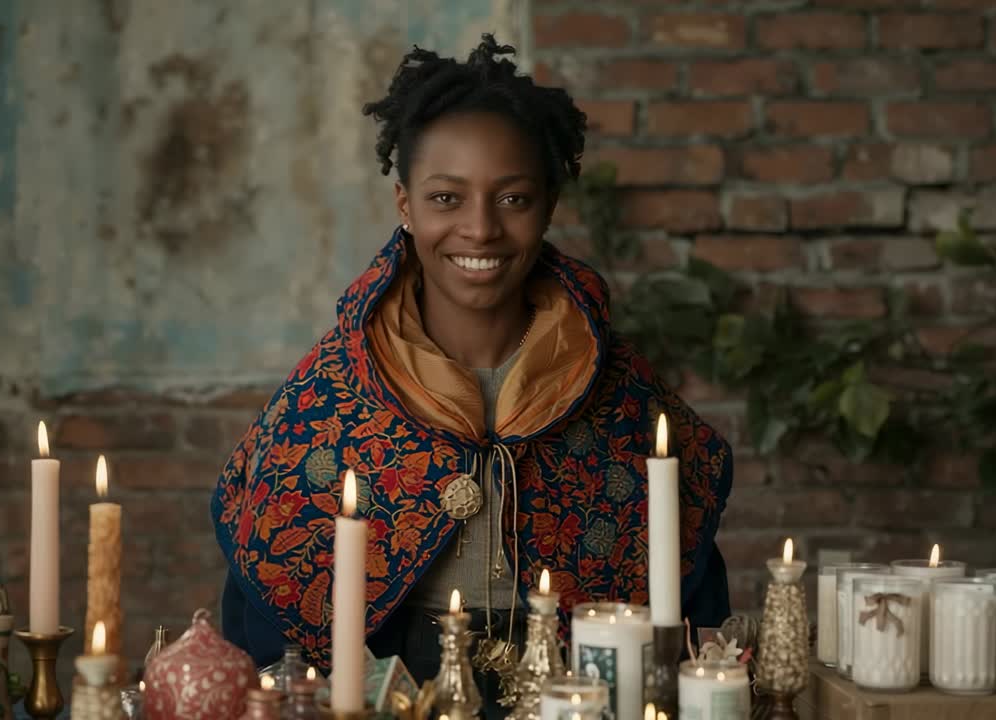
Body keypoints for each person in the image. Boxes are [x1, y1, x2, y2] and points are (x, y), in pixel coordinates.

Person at [212, 34, 733, 716]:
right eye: (446, 198)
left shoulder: (621, 394)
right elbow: (268, 602)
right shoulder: (331, 394)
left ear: (548, 205)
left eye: (512, 199)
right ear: (405, 205)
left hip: (577, 694)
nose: (480, 229)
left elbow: (689, 603)